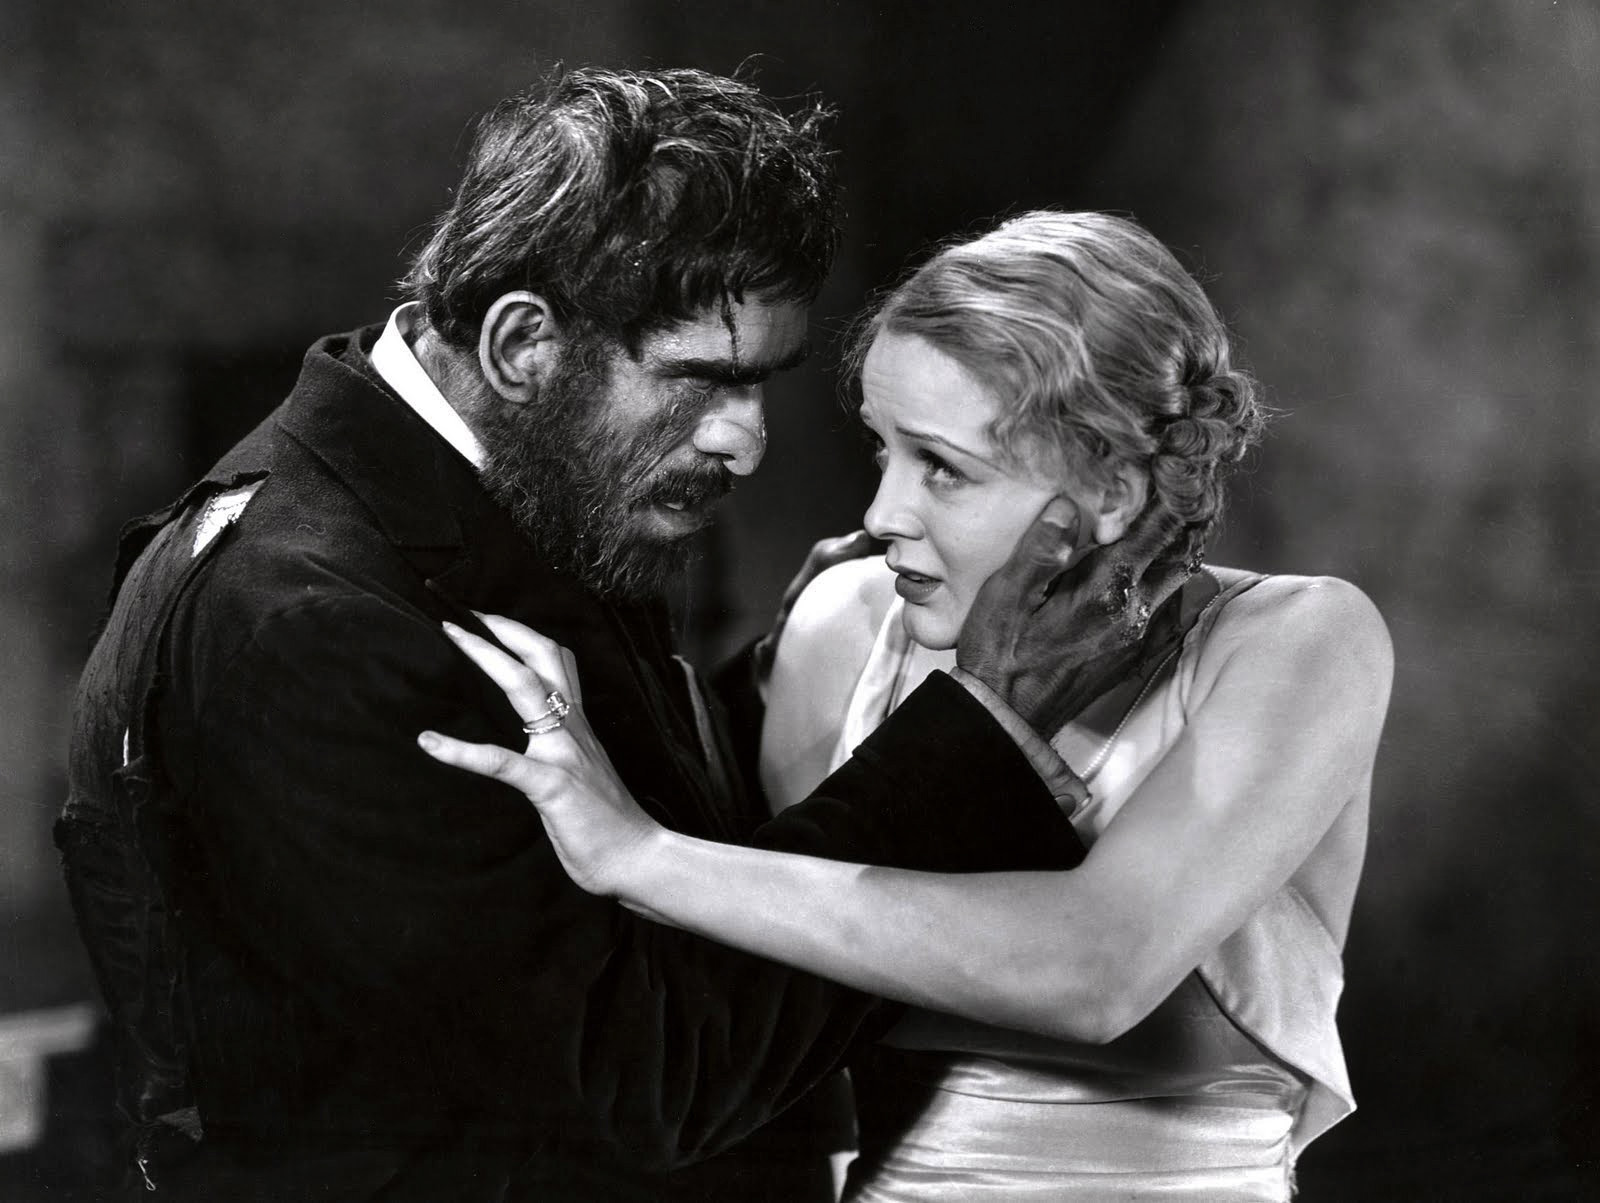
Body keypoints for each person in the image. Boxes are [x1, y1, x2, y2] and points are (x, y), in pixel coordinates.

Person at [56, 75, 1178, 1201]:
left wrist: (781, 678)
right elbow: (641, 1077)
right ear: (522, 345)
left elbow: (536, 883)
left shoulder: (504, 491)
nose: (745, 442)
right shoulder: (309, 623)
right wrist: (977, 722)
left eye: (762, 383)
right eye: (704, 381)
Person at [421, 211, 1396, 1201]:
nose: (883, 515)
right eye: (881, 451)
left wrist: (639, 855)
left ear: (1110, 487)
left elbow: (1097, 970)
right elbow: (758, 1028)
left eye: (942, 467)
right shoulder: (843, 625)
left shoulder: (1298, 642)